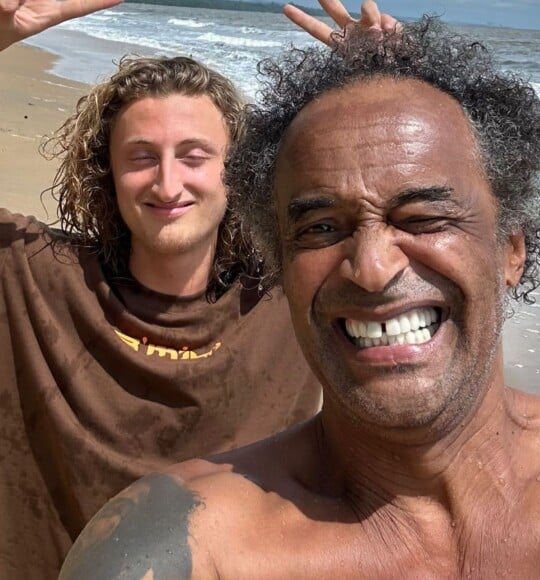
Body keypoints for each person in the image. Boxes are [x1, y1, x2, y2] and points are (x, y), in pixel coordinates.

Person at [60, 11, 540, 579]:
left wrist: (407, 91)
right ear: (280, 269)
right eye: (321, 229)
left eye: (424, 217)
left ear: (511, 249)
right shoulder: (191, 546)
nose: (373, 269)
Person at [0, 0, 396, 576]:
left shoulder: (294, 295)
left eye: (194, 156)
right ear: (105, 173)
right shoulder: (31, 273)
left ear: (236, 172)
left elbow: (434, 222)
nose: (167, 182)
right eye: (141, 157)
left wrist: (397, 83)